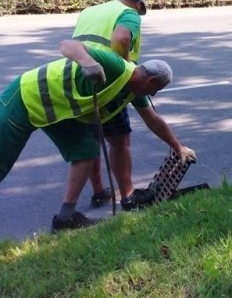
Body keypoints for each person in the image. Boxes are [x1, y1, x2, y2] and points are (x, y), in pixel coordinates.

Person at [0, 40, 196, 232]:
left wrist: (179, 147)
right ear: (151, 81)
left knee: (86, 151)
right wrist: (88, 62)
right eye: (156, 90)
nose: (154, 95)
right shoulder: (116, 65)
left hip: (56, 110)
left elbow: (153, 120)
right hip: (24, 98)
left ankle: (64, 219)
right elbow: (67, 45)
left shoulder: (134, 91)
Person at [72, 0, 151, 211]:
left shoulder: (90, 10)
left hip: (79, 77)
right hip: (107, 79)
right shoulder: (129, 13)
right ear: (139, 4)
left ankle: (99, 192)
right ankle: (128, 196)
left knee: (92, 138)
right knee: (119, 140)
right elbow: (121, 39)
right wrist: (125, 69)